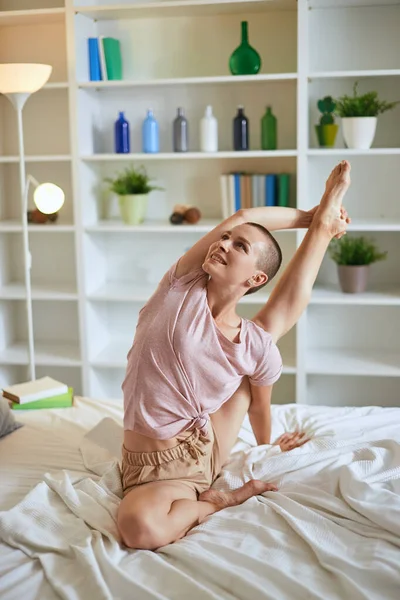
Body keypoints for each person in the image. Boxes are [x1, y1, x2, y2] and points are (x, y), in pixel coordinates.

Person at [117, 160, 352, 551]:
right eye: (225, 239)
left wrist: (269, 446)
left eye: (239, 246)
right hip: (139, 461)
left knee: (139, 529)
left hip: (188, 464)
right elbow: (242, 216)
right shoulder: (180, 286)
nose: (223, 243)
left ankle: (222, 500)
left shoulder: (249, 343)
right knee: (263, 336)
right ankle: (322, 225)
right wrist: (309, 216)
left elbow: (260, 405)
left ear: (256, 278)